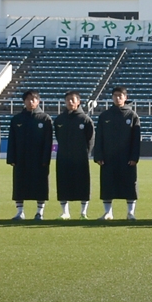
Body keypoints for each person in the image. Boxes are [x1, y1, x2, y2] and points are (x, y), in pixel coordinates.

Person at [93, 86, 141, 220]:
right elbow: (99, 137)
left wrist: (134, 157)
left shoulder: (132, 116)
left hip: (127, 158)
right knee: (108, 185)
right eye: (115, 95)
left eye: (120, 96)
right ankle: (108, 212)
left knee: (130, 185)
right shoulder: (105, 116)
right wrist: (98, 155)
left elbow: (136, 139)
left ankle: (130, 213)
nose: (118, 98)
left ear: (125, 98)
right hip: (108, 158)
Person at [6, 90, 54, 220]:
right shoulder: (17, 119)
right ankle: (20, 212)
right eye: (28, 99)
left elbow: (48, 142)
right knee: (20, 185)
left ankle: (40, 212)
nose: (30, 101)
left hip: (39, 160)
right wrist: (11, 157)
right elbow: (12, 140)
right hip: (21, 159)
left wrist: (46, 159)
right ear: (24, 101)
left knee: (40, 185)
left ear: (38, 101)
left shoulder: (45, 119)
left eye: (33, 99)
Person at [53, 91, 95, 219]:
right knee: (63, 183)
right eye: (68, 100)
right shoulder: (60, 119)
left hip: (80, 158)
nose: (70, 102)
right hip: (63, 157)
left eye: (73, 100)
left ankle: (83, 212)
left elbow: (91, 139)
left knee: (83, 184)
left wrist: (84, 153)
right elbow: (58, 136)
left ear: (78, 102)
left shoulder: (85, 119)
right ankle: (65, 212)